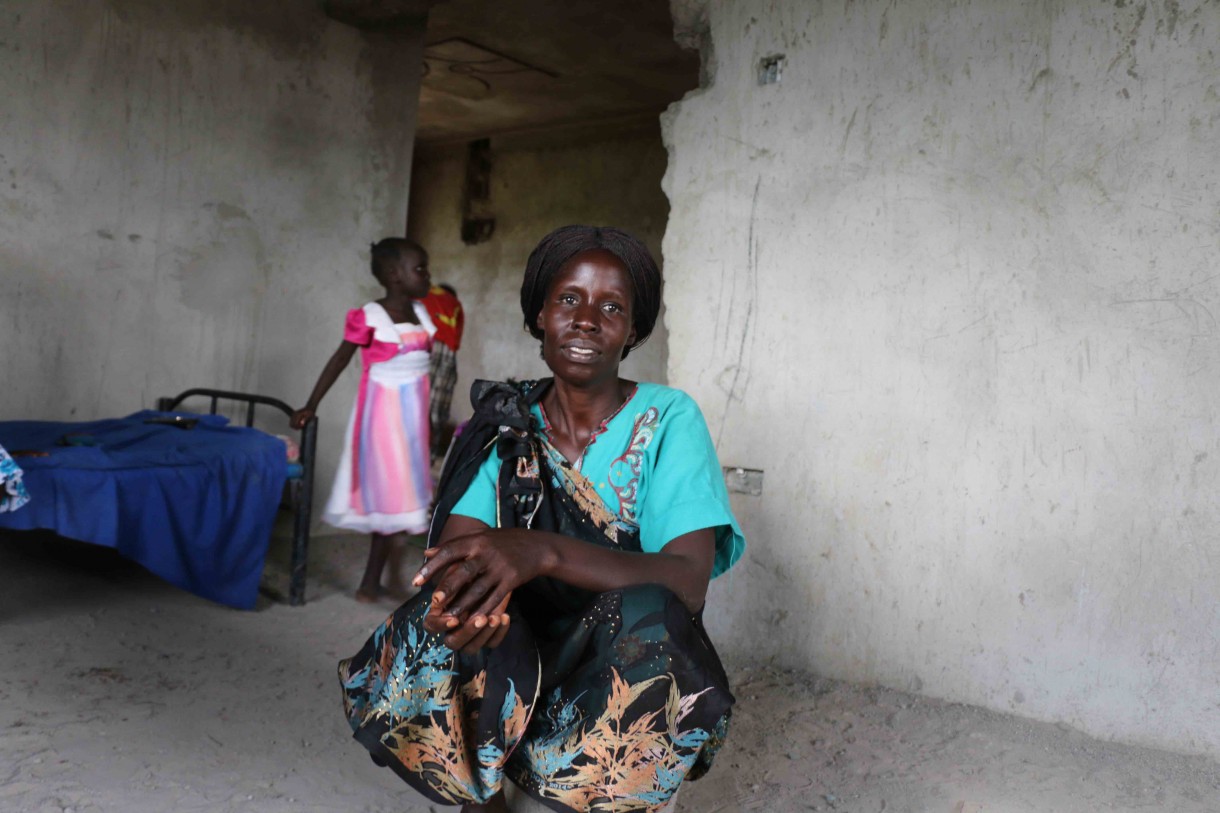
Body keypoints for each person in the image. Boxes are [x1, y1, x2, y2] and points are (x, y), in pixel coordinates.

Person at [338, 225, 746, 812]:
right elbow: (462, 555)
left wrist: (544, 551)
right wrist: (461, 606)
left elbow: (686, 578)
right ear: (538, 316)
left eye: (612, 307)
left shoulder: (668, 418)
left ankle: (576, 790)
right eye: (568, 299)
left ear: (632, 330)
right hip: (516, 646)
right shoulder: (506, 422)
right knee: (454, 610)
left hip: (615, 650)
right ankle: (484, 798)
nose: (586, 319)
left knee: (654, 619)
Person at [292, 238, 435, 602]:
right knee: (392, 496)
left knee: (403, 500)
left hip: (414, 420)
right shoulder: (370, 316)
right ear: (393, 275)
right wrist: (311, 405)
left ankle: (379, 581)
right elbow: (339, 360)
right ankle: (375, 582)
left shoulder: (422, 312)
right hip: (383, 419)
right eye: (419, 268)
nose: (427, 274)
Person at [420, 282, 465, 458]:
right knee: (435, 413)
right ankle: (428, 457)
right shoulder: (454, 307)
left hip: (423, 348)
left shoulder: (424, 302)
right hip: (443, 355)